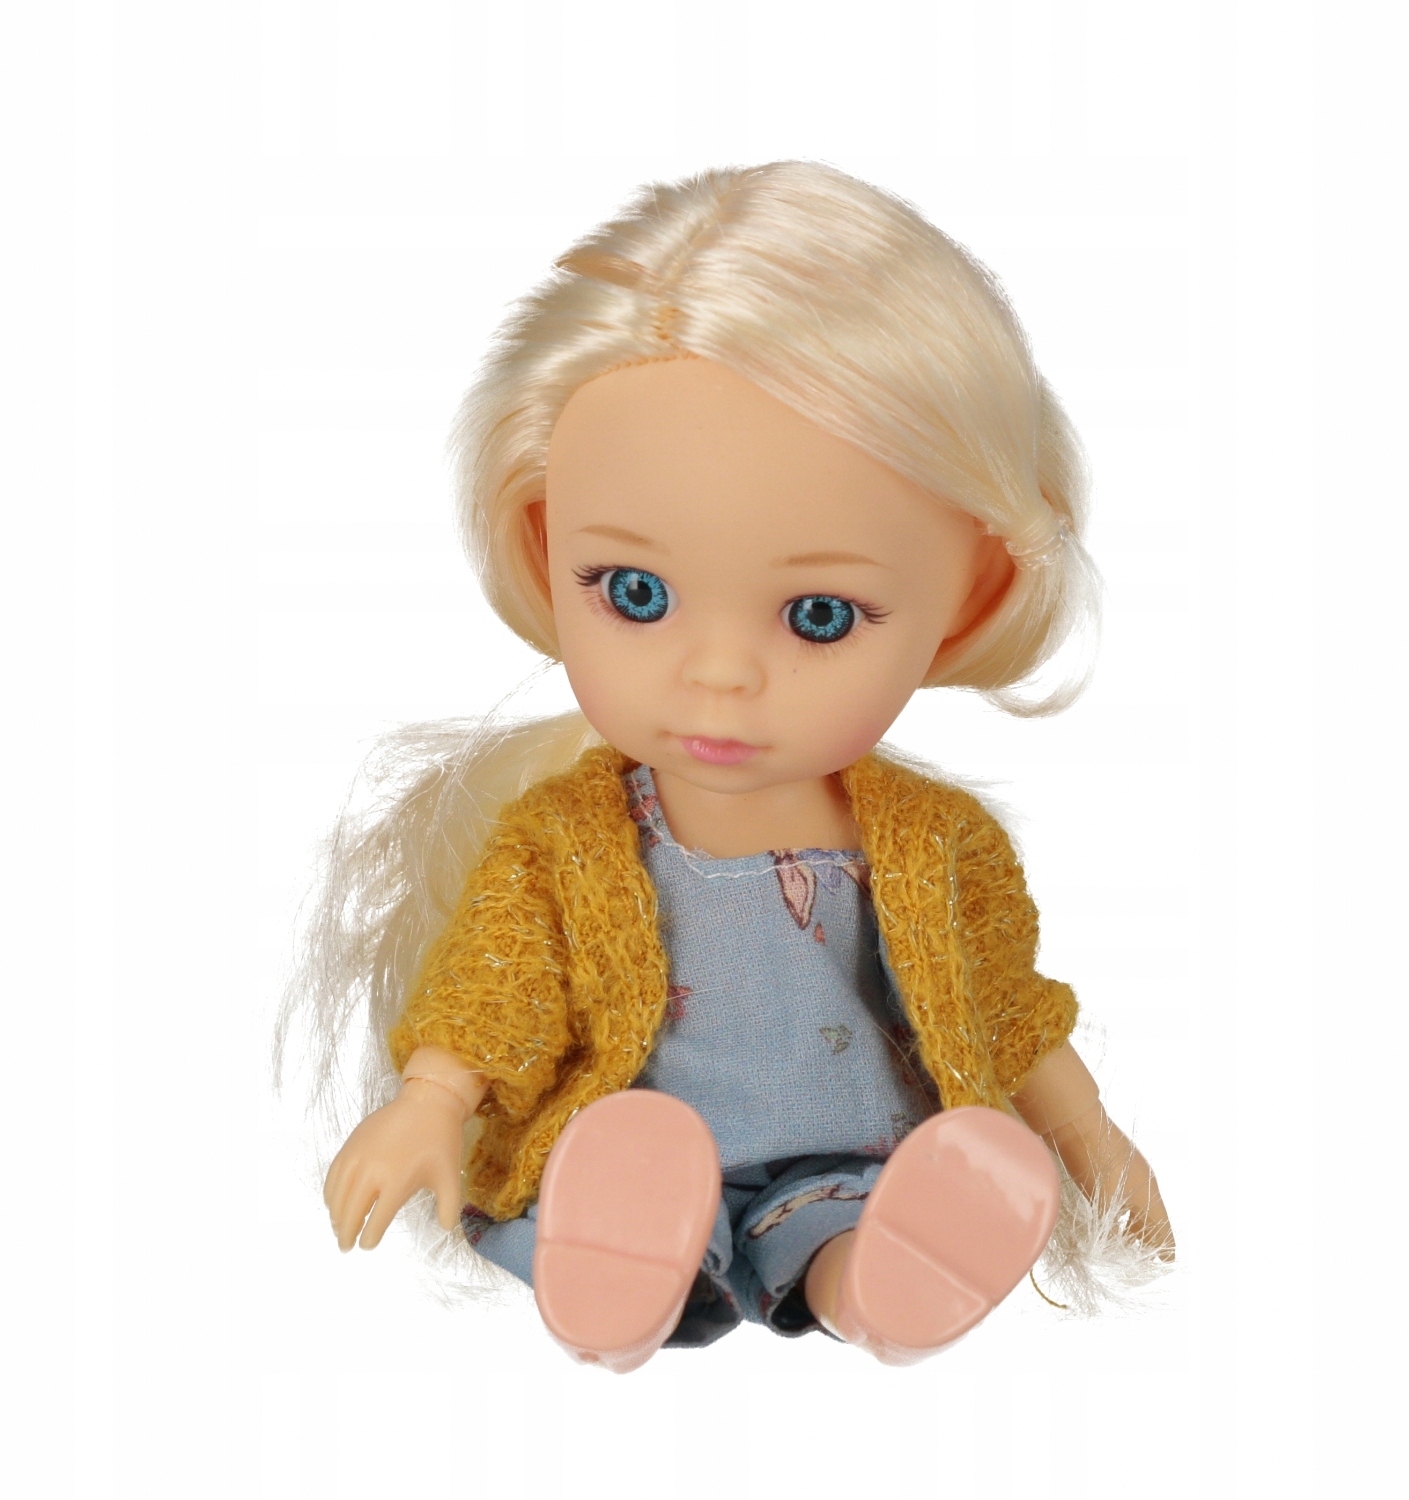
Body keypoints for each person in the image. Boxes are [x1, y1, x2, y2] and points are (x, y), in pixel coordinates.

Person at [290, 162, 1172, 1372]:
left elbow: (1005, 1005)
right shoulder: (567, 838)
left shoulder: (940, 842)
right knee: (608, 1188)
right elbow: (500, 986)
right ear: (546, 545)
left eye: (819, 617)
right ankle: (624, 1271)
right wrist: (432, 1103)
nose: (716, 677)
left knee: (851, 1219)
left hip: (850, 1156)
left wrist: (1094, 1142)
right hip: (626, 1146)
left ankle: (880, 1278)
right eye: (634, 593)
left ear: (968, 599)